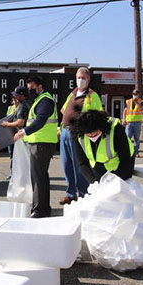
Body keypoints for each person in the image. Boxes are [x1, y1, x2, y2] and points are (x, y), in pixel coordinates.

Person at [14, 76, 57, 218]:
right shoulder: (39, 100)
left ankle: (40, 210)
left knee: (39, 177)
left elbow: (40, 121)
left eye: (31, 88)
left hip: (42, 144)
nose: (29, 91)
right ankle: (41, 207)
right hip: (39, 143)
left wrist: (23, 132)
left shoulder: (46, 100)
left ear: (39, 86)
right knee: (39, 177)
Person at [59, 67, 102, 204]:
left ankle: (83, 195)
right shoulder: (73, 93)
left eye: (83, 78)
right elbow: (63, 110)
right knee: (67, 164)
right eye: (78, 77)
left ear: (88, 80)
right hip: (65, 132)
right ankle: (71, 193)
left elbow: (98, 115)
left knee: (79, 165)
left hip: (78, 133)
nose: (80, 80)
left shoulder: (92, 96)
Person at [71, 109, 134, 184]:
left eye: (95, 134)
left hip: (122, 162)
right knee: (99, 187)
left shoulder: (116, 129)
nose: (92, 137)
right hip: (98, 164)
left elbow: (125, 160)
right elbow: (82, 163)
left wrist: (115, 181)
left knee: (120, 188)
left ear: (101, 128)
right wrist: (93, 182)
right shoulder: (79, 134)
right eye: (89, 135)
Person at [1, 86, 31, 180]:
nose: (15, 98)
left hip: (20, 134)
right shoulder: (29, 103)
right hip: (25, 134)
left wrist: (7, 124)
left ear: (22, 95)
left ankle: (18, 175)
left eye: (16, 95)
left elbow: (20, 122)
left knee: (18, 156)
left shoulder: (22, 105)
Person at [122, 89, 143, 157]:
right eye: (134, 94)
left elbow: (141, 109)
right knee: (127, 137)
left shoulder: (140, 101)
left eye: (136, 94)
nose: (135, 95)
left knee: (136, 138)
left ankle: (135, 152)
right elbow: (125, 111)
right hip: (129, 122)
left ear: (138, 95)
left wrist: (137, 103)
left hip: (137, 122)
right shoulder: (128, 101)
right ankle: (127, 151)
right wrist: (123, 119)